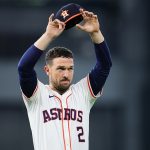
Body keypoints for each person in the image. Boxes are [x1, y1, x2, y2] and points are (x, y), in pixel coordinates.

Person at [17, 9, 112, 150]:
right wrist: (48, 35)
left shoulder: (83, 92)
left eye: (70, 68)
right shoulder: (37, 95)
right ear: (47, 70)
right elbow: (24, 68)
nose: (66, 74)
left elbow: (105, 65)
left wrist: (96, 33)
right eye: (61, 68)